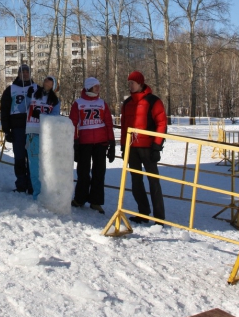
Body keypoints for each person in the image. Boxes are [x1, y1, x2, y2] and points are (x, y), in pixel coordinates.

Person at [121, 70, 167, 224]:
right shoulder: (127, 103)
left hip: (148, 148)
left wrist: (157, 146)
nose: (130, 86)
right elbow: (124, 127)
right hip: (132, 148)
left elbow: (161, 123)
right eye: (128, 83)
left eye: (132, 83)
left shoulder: (153, 101)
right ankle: (143, 212)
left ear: (140, 83)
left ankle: (159, 217)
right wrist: (123, 147)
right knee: (136, 181)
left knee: (153, 181)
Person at [69, 77, 115, 213]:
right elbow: (73, 123)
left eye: (98, 86)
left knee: (99, 172)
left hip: (101, 143)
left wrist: (111, 143)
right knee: (83, 172)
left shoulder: (102, 103)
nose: (98, 88)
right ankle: (80, 198)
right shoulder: (78, 103)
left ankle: (96, 201)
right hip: (84, 143)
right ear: (88, 87)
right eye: (95, 86)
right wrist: (75, 142)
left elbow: (108, 123)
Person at [0, 64, 37, 193]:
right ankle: (21, 184)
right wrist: (6, 130)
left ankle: (33, 185)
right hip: (18, 127)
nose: (25, 74)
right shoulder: (11, 89)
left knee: (33, 158)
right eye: (22, 72)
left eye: (27, 72)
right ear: (19, 74)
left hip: (33, 128)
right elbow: (4, 110)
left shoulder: (36, 88)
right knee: (20, 157)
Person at [25, 76, 60, 199]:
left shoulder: (54, 101)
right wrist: (28, 96)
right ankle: (37, 194)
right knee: (34, 166)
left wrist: (41, 116)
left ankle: (48, 192)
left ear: (53, 86)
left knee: (47, 165)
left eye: (50, 82)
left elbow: (55, 118)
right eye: (45, 80)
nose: (47, 83)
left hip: (46, 135)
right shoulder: (34, 94)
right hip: (32, 132)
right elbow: (21, 108)